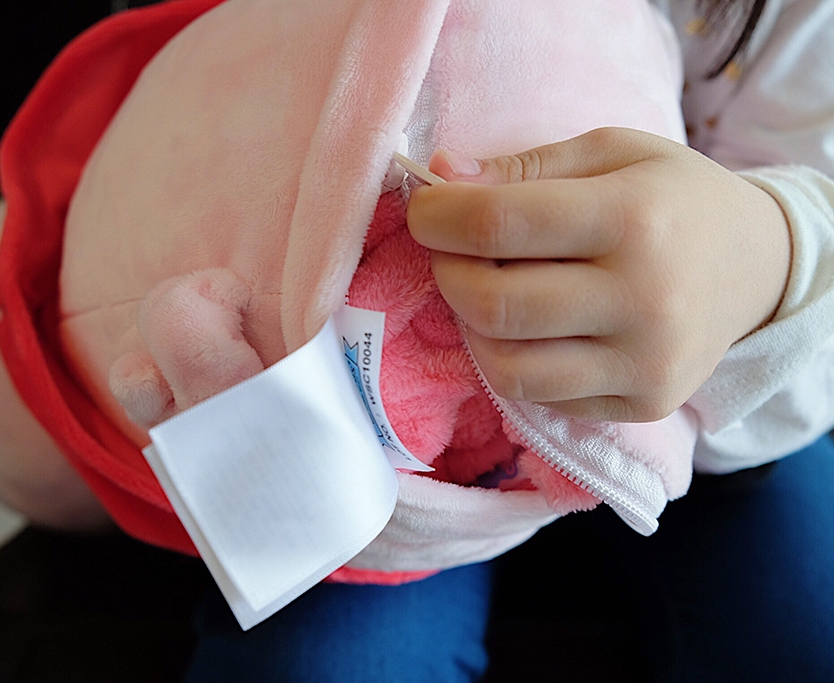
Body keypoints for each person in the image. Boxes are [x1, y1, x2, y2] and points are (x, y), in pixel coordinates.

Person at [180, 0, 834, 680]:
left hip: (726, 437)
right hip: (385, 445)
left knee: (811, 628)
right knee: (322, 667)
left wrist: (771, 263)